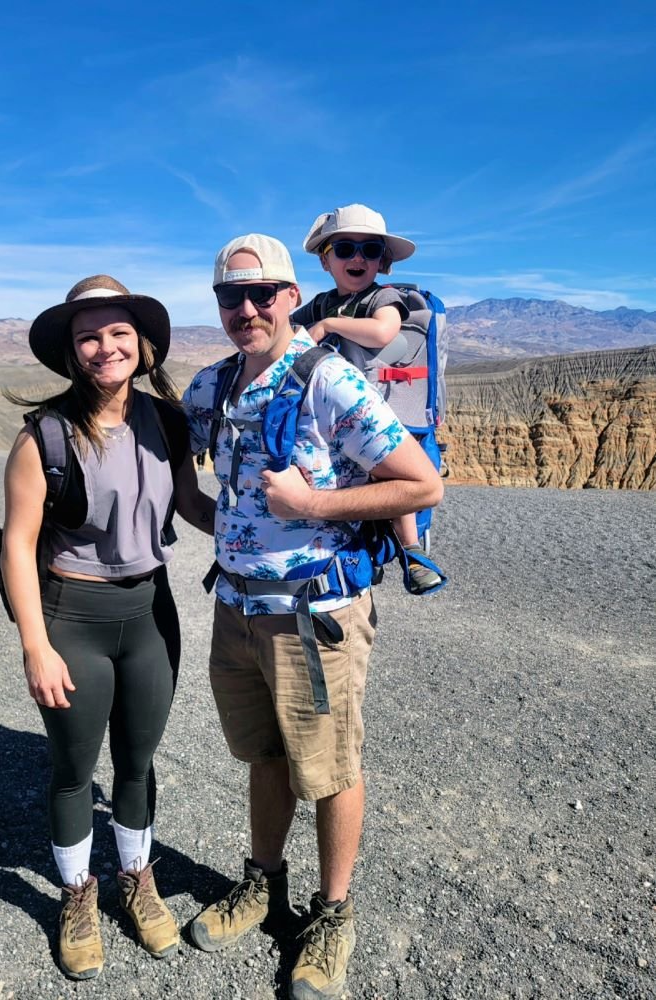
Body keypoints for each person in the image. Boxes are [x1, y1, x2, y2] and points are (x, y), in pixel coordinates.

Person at [182, 236, 443, 998]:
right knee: (265, 754)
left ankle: (332, 914)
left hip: (315, 613)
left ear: (293, 297)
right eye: (232, 296)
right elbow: (171, 450)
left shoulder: (330, 382)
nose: (248, 309)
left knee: (329, 770)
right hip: (236, 608)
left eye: (263, 293)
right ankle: (262, 883)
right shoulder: (213, 385)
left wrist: (315, 505)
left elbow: (421, 485)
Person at [0, 275, 214, 980]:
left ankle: (137, 881)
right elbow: (18, 548)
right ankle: (76, 895)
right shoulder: (45, 439)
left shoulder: (167, 421)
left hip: (151, 614)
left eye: (118, 332)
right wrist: (36, 645)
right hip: (75, 618)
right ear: (71, 351)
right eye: (89, 335)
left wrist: (265, 528)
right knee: (72, 768)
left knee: (139, 762)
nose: (105, 346)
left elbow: (188, 502)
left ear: (142, 343)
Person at [292, 203, 442, 593]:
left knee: (394, 478)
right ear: (326, 261)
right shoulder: (323, 301)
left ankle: (412, 553)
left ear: (383, 262)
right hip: (338, 416)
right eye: (344, 249)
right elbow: (290, 329)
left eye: (369, 250)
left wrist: (325, 326)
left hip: (383, 414)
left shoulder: (383, 298)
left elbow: (382, 333)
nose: (357, 258)